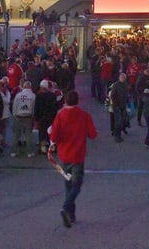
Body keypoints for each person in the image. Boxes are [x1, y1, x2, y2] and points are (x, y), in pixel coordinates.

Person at [49, 90, 98, 228]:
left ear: (65, 101)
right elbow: (93, 134)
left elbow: (54, 137)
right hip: (78, 155)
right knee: (77, 185)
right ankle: (66, 208)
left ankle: (71, 214)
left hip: (64, 155)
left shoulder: (60, 116)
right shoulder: (84, 115)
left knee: (68, 184)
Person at [11, 80, 36, 156]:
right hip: (28, 116)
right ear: (30, 87)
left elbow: (14, 105)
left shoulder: (18, 95)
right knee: (28, 135)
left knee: (16, 135)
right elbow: (33, 107)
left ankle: (13, 152)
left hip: (18, 115)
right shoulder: (33, 96)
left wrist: (14, 115)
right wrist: (33, 116)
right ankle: (29, 152)